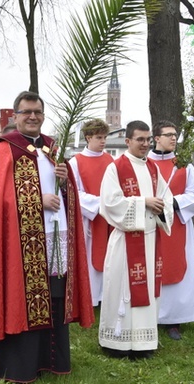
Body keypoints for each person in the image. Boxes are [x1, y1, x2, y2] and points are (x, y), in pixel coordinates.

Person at [0, 91, 94, 383]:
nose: (33, 116)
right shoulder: (4, 150)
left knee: (54, 294)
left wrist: (65, 183)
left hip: (53, 237)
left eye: (38, 111)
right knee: (21, 296)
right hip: (18, 244)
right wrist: (36, 201)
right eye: (26, 112)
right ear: (15, 116)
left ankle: (51, 360)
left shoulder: (52, 149)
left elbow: (68, 195)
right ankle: (17, 365)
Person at [98, 120, 174, 359]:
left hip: (150, 240)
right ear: (127, 141)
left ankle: (144, 343)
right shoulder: (116, 167)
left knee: (148, 290)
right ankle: (117, 342)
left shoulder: (153, 168)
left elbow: (167, 199)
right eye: (140, 139)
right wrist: (144, 203)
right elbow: (110, 203)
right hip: (125, 241)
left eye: (148, 139)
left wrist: (161, 208)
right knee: (121, 290)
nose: (145, 144)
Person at [149, 120, 194, 341]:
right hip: (151, 224)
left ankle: (174, 320)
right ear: (156, 138)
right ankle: (148, 316)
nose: (173, 138)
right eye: (168, 134)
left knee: (176, 266)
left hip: (177, 226)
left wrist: (172, 203)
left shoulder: (184, 165)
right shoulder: (144, 164)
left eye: (175, 135)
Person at [68, 118, 113, 306]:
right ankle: (91, 297)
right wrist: (99, 204)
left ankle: (107, 296)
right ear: (88, 138)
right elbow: (74, 191)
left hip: (110, 218)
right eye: (99, 137)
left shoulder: (111, 160)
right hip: (89, 218)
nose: (103, 141)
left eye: (104, 137)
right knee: (89, 257)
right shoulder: (75, 162)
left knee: (110, 255)